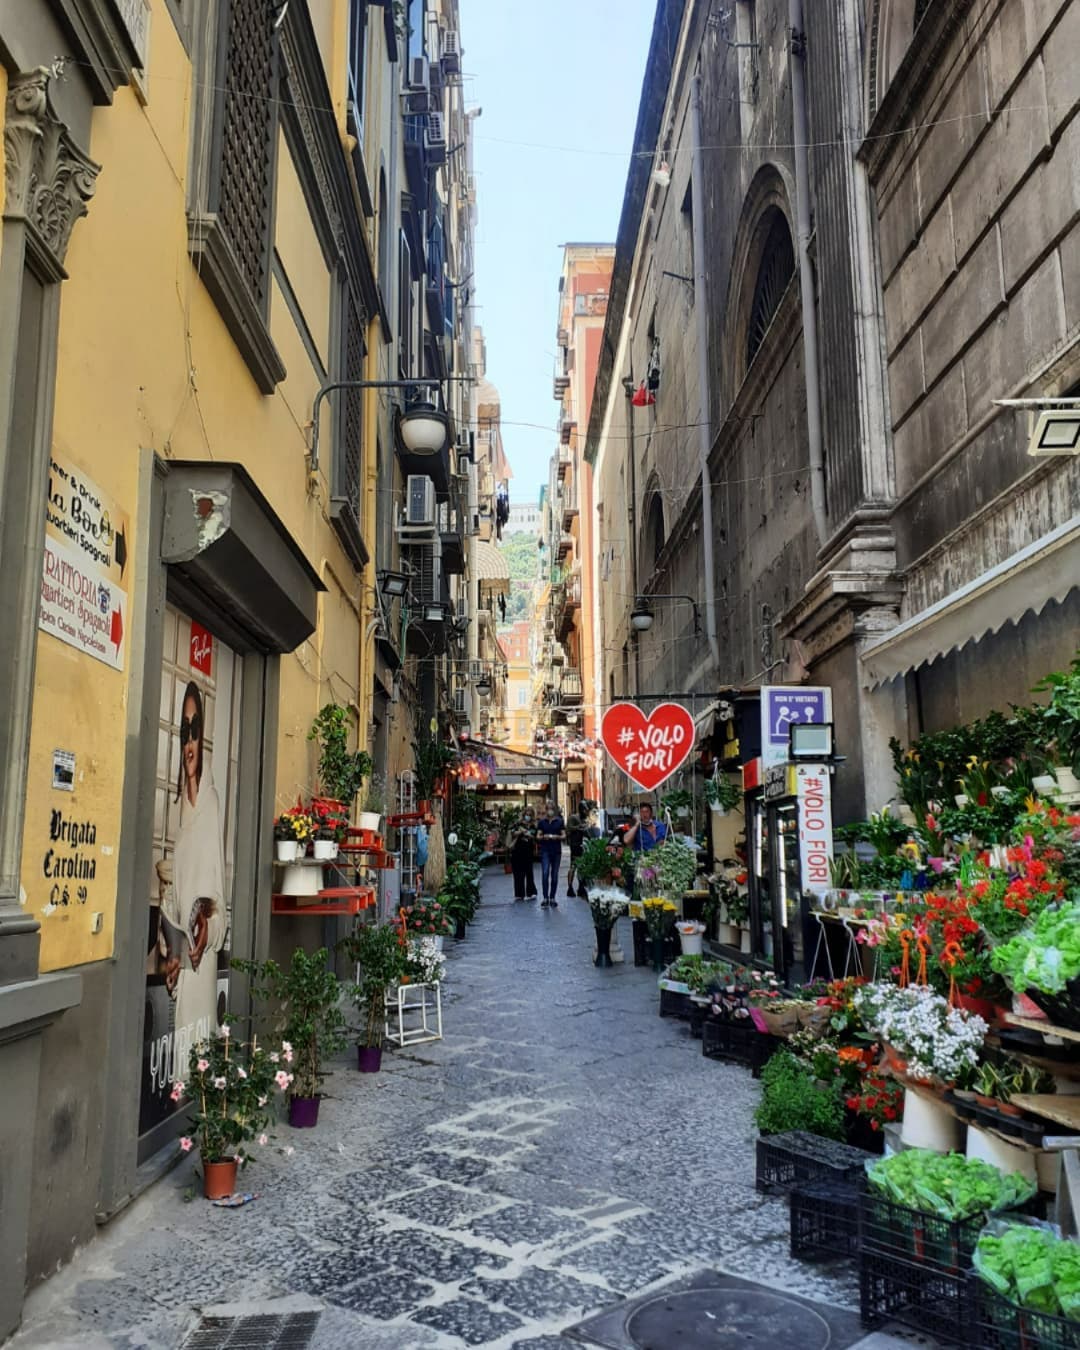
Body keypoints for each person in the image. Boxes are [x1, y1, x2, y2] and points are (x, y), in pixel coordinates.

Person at [162, 680, 227, 1080]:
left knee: (196, 1052)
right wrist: (168, 941)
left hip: (201, 958)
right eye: (184, 730)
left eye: (195, 728)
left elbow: (217, 895)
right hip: (178, 957)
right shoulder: (177, 810)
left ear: (203, 739)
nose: (189, 740)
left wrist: (208, 925)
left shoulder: (211, 804)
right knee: (176, 1055)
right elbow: (172, 888)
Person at [537, 798, 566, 907]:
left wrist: (556, 836)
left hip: (556, 851)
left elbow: (564, 835)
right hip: (545, 850)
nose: (550, 810)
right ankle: (545, 897)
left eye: (551, 809)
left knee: (554, 875)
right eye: (548, 808)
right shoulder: (542, 822)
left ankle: (552, 897)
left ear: (554, 810)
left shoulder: (559, 821)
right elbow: (538, 836)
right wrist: (543, 836)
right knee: (545, 873)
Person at [508, 808, 537, 901]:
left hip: (528, 851)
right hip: (517, 850)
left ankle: (531, 892)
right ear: (523, 814)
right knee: (518, 873)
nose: (528, 816)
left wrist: (529, 834)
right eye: (526, 814)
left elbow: (535, 836)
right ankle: (519, 894)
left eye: (530, 814)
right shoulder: (517, 823)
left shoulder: (533, 825)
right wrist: (521, 832)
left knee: (529, 872)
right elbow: (512, 832)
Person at [566, 813, 586, 898]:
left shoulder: (582, 819)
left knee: (580, 866)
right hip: (575, 845)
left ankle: (580, 887)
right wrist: (579, 827)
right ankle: (571, 888)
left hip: (580, 845)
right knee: (573, 866)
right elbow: (569, 828)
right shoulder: (574, 818)